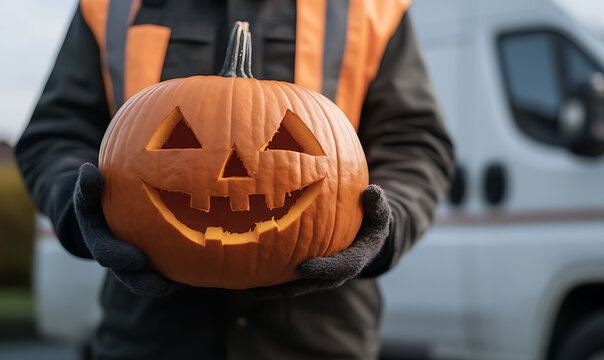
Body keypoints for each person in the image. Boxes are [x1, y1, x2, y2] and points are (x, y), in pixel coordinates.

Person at [16, 0, 454, 359]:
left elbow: (414, 145)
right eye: (180, 139)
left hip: (319, 337)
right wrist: (82, 214)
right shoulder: (108, 5)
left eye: (286, 141)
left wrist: (382, 230)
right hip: (149, 334)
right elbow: (55, 135)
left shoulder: (372, 7)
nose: (234, 171)